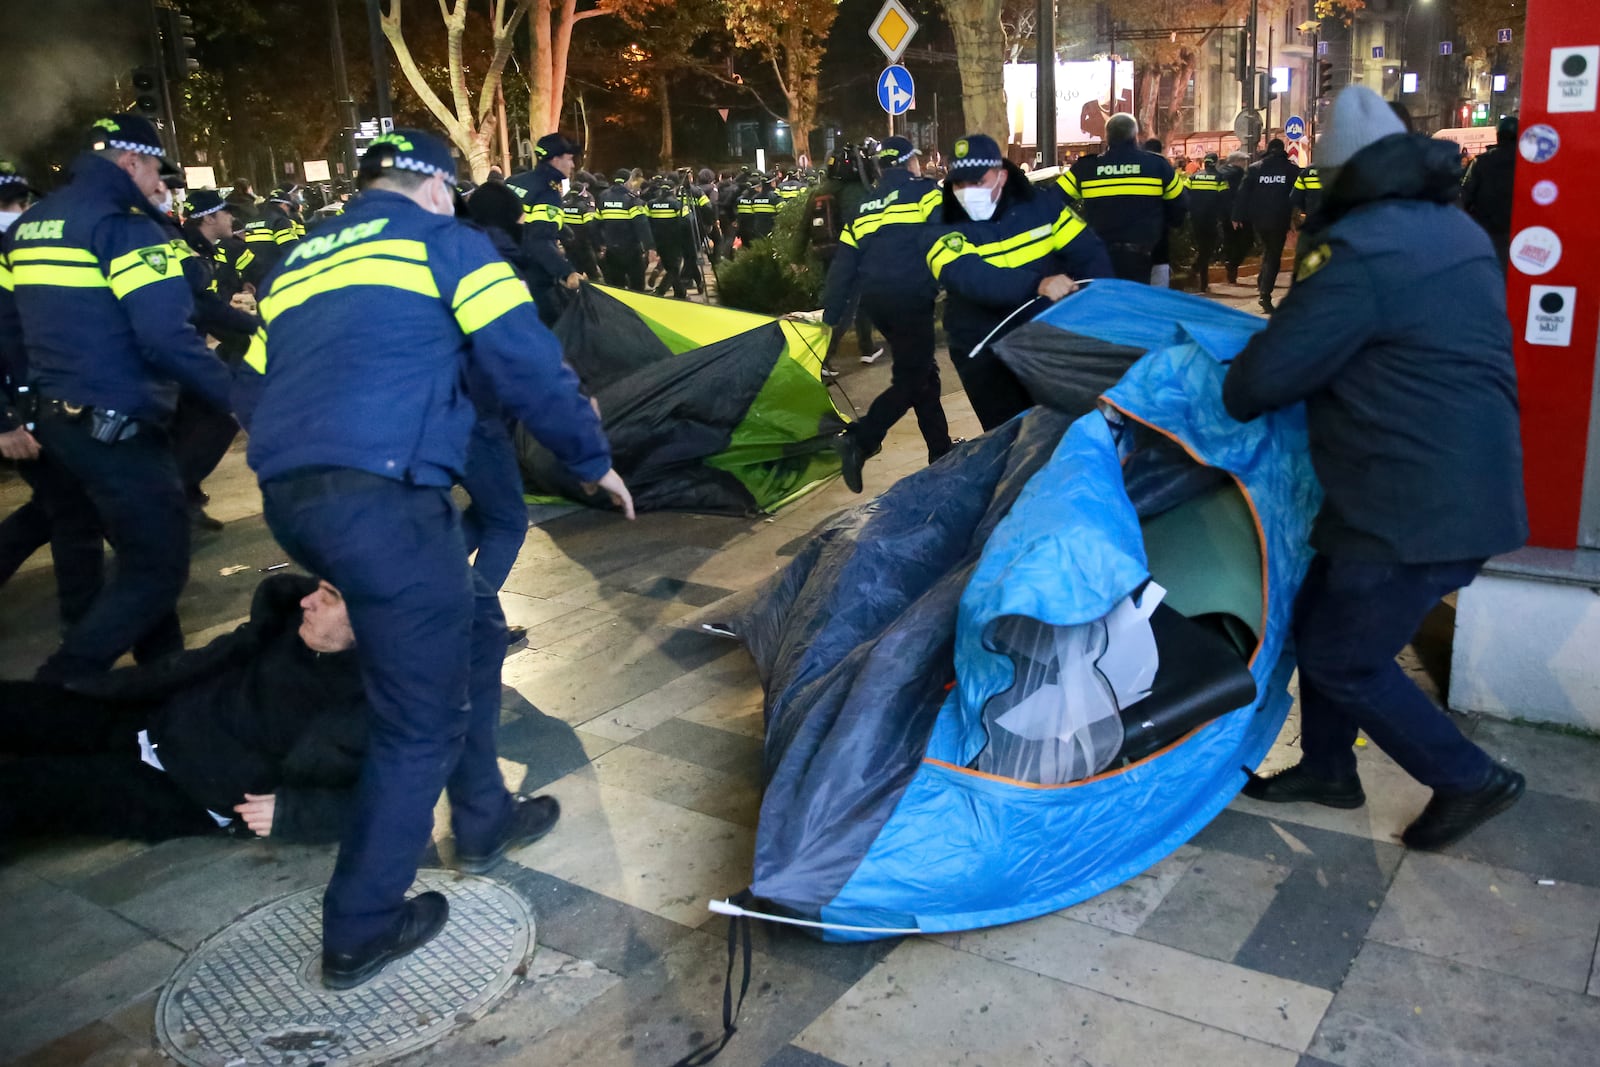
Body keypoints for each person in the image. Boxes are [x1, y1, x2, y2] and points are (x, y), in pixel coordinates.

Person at [238, 129, 634, 991]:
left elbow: (253, 381)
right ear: (434, 188)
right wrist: (590, 456)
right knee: (417, 722)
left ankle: (486, 814)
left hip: (297, 496)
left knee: (475, 631)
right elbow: (524, 354)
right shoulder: (445, 243)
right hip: (384, 504)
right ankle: (362, 924)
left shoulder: (298, 261)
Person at [1222, 86, 1527, 850]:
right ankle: (1328, 768)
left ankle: (1468, 777)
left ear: (1339, 176)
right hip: (1455, 482)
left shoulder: (1360, 252)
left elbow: (1257, 383)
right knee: (1321, 614)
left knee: (1342, 654)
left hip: (1410, 499)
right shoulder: (1452, 228)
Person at [1, 114, 234, 684]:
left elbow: (6, 329)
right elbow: (165, 337)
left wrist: (14, 409)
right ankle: (60, 690)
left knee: (105, 551)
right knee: (156, 569)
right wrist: (242, 398)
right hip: (119, 428)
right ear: (130, 162)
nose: (159, 184)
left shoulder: (30, 227)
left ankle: (165, 687)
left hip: (57, 424)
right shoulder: (124, 228)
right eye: (156, 170)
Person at [0, 574, 367, 844]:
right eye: (318, 588)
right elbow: (203, 661)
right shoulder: (288, 622)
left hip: (185, 789)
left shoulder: (381, 703)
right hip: (151, 716)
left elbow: (396, 802)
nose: (308, 601)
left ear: (371, 621)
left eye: (330, 597)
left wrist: (293, 814)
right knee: (19, 705)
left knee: (30, 787)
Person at [925, 133, 1113, 430]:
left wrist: (1094, 305)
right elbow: (967, 276)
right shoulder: (941, 222)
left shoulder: (1041, 208)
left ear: (1001, 175)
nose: (967, 191)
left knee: (1061, 429)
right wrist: (1037, 284)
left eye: (978, 181)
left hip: (1044, 341)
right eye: (959, 184)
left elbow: (1090, 254)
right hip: (984, 350)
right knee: (1008, 436)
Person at [820, 137, 951, 492]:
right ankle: (861, 439)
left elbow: (843, 267)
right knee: (911, 379)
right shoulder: (926, 193)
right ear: (909, 163)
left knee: (923, 372)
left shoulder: (863, 207)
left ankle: (940, 450)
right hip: (911, 298)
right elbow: (949, 237)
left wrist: (830, 316)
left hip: (877, 304)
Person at [169, 189, 258, 531]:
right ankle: (177, 494)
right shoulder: (189, 254)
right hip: (175, 352)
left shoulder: (198, 248)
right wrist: (255, 325)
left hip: (182, 348)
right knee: (223, 412)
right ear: (209, 218)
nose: (231, 219)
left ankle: (186, 498)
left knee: (192, 423)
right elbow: (205, 307)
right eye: (225, 213)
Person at [1059, 115, 1186, 283]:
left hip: (1099, 257)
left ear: (1107, 136)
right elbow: (1180, 205)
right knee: (1139, 306)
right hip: (1144, 258)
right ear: (1135, 136)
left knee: (1107, 305)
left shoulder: (1086, 169)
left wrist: (1073, 235)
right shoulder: (1157, 166)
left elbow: (1053, 200)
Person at [504, 132, 584, 324]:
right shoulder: (549, 194)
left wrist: (564, 232)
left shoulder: (513, 182)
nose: (573, 165)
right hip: (532, 278)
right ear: (556, 160)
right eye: (570, 159)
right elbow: (539, 240)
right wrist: (567, 272)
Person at [1232, 138, 1299, 313]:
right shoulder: (1290, 169)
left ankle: (1262, 282)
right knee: (1274, 255)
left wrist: (1237, 216)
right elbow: (1297, 195)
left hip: (1258, 219)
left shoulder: (1255, 168)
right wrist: (1296, 219)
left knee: (1268, 250)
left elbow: (1242, 193)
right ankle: (1265, 294)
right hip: (1279, 219)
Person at [1461, 116, 1518, 270]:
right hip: (1518, 237)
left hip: (1487, 235)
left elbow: (1465, 196)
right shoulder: (1529, 164)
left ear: (1499, 136)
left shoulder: (1482, 162)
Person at [596, 168, 653, 291]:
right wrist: (650, 247)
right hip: (631, 250)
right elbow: (642, 224)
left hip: (611, 251)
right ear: (628, 181)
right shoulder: (632, 199)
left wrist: (599, 244)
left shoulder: (603, 197)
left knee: (617, 288)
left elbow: (595, 224)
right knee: (637, 286)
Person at [240, 186, 300, 287]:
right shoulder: (280, 220)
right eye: (289, 208)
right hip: (275, 274)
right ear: (284, 205)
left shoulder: (251, 220)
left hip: (253, 275)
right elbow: (290, 249)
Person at [1186, 154, 1228, 292]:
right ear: (1215, 163)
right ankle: (1195, 269)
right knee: (1208, 248)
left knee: (1202, 247)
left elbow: (1184, 192)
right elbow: (1224, 199)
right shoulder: (1220, 178)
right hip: (1211, 219)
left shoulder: (1193, 177)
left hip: (1195, 218)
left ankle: (1203, 283)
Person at [1217, 150, 1252, 284]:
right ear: (1236, 162)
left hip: (1222, 215)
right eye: (1243, 161)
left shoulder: (1220, 172)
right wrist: (1236, 217)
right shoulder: (1238, 174)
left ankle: (1231, 268)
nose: (1245, 164)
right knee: (1246, 241)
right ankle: (1232, 265)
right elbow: (1237, 197)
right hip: (1238, 216)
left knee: (1230, 241)